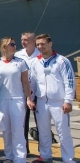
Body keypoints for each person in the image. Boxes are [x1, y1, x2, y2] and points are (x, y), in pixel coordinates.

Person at [29, 34, 76, 163]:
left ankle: (68, 158)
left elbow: (69, 81)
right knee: (43, 131)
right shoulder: (35, 62)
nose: (40, 47)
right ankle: (45, 156)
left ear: (50, 44)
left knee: (63, 131)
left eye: (43, 44)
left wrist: (68, 101)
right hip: (42, 101)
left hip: (58, 102)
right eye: (38, 44)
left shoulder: (62, 61)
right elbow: (32, 82)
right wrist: (31, 98)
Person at [0, 37, 34, 163]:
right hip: (1, 99)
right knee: (6, 131)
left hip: (17, 99)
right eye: (12, 44)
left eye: (15, 44)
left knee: (18, 130)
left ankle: (20, 158)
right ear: (4, 47)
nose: (15, 46)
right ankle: (9, 156)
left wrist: (28, 98)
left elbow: (26, 82)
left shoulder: (21, 62)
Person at [14, 31, 40, 154]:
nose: (23, 42)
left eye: (26, 40)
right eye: (22, 39)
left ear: (34, 41)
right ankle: (24, 149)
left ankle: (43, 151)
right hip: (22, 93)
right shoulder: (18, 55)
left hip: (39, 93)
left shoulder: (40, 54)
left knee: (41, 123)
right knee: (22, 123)